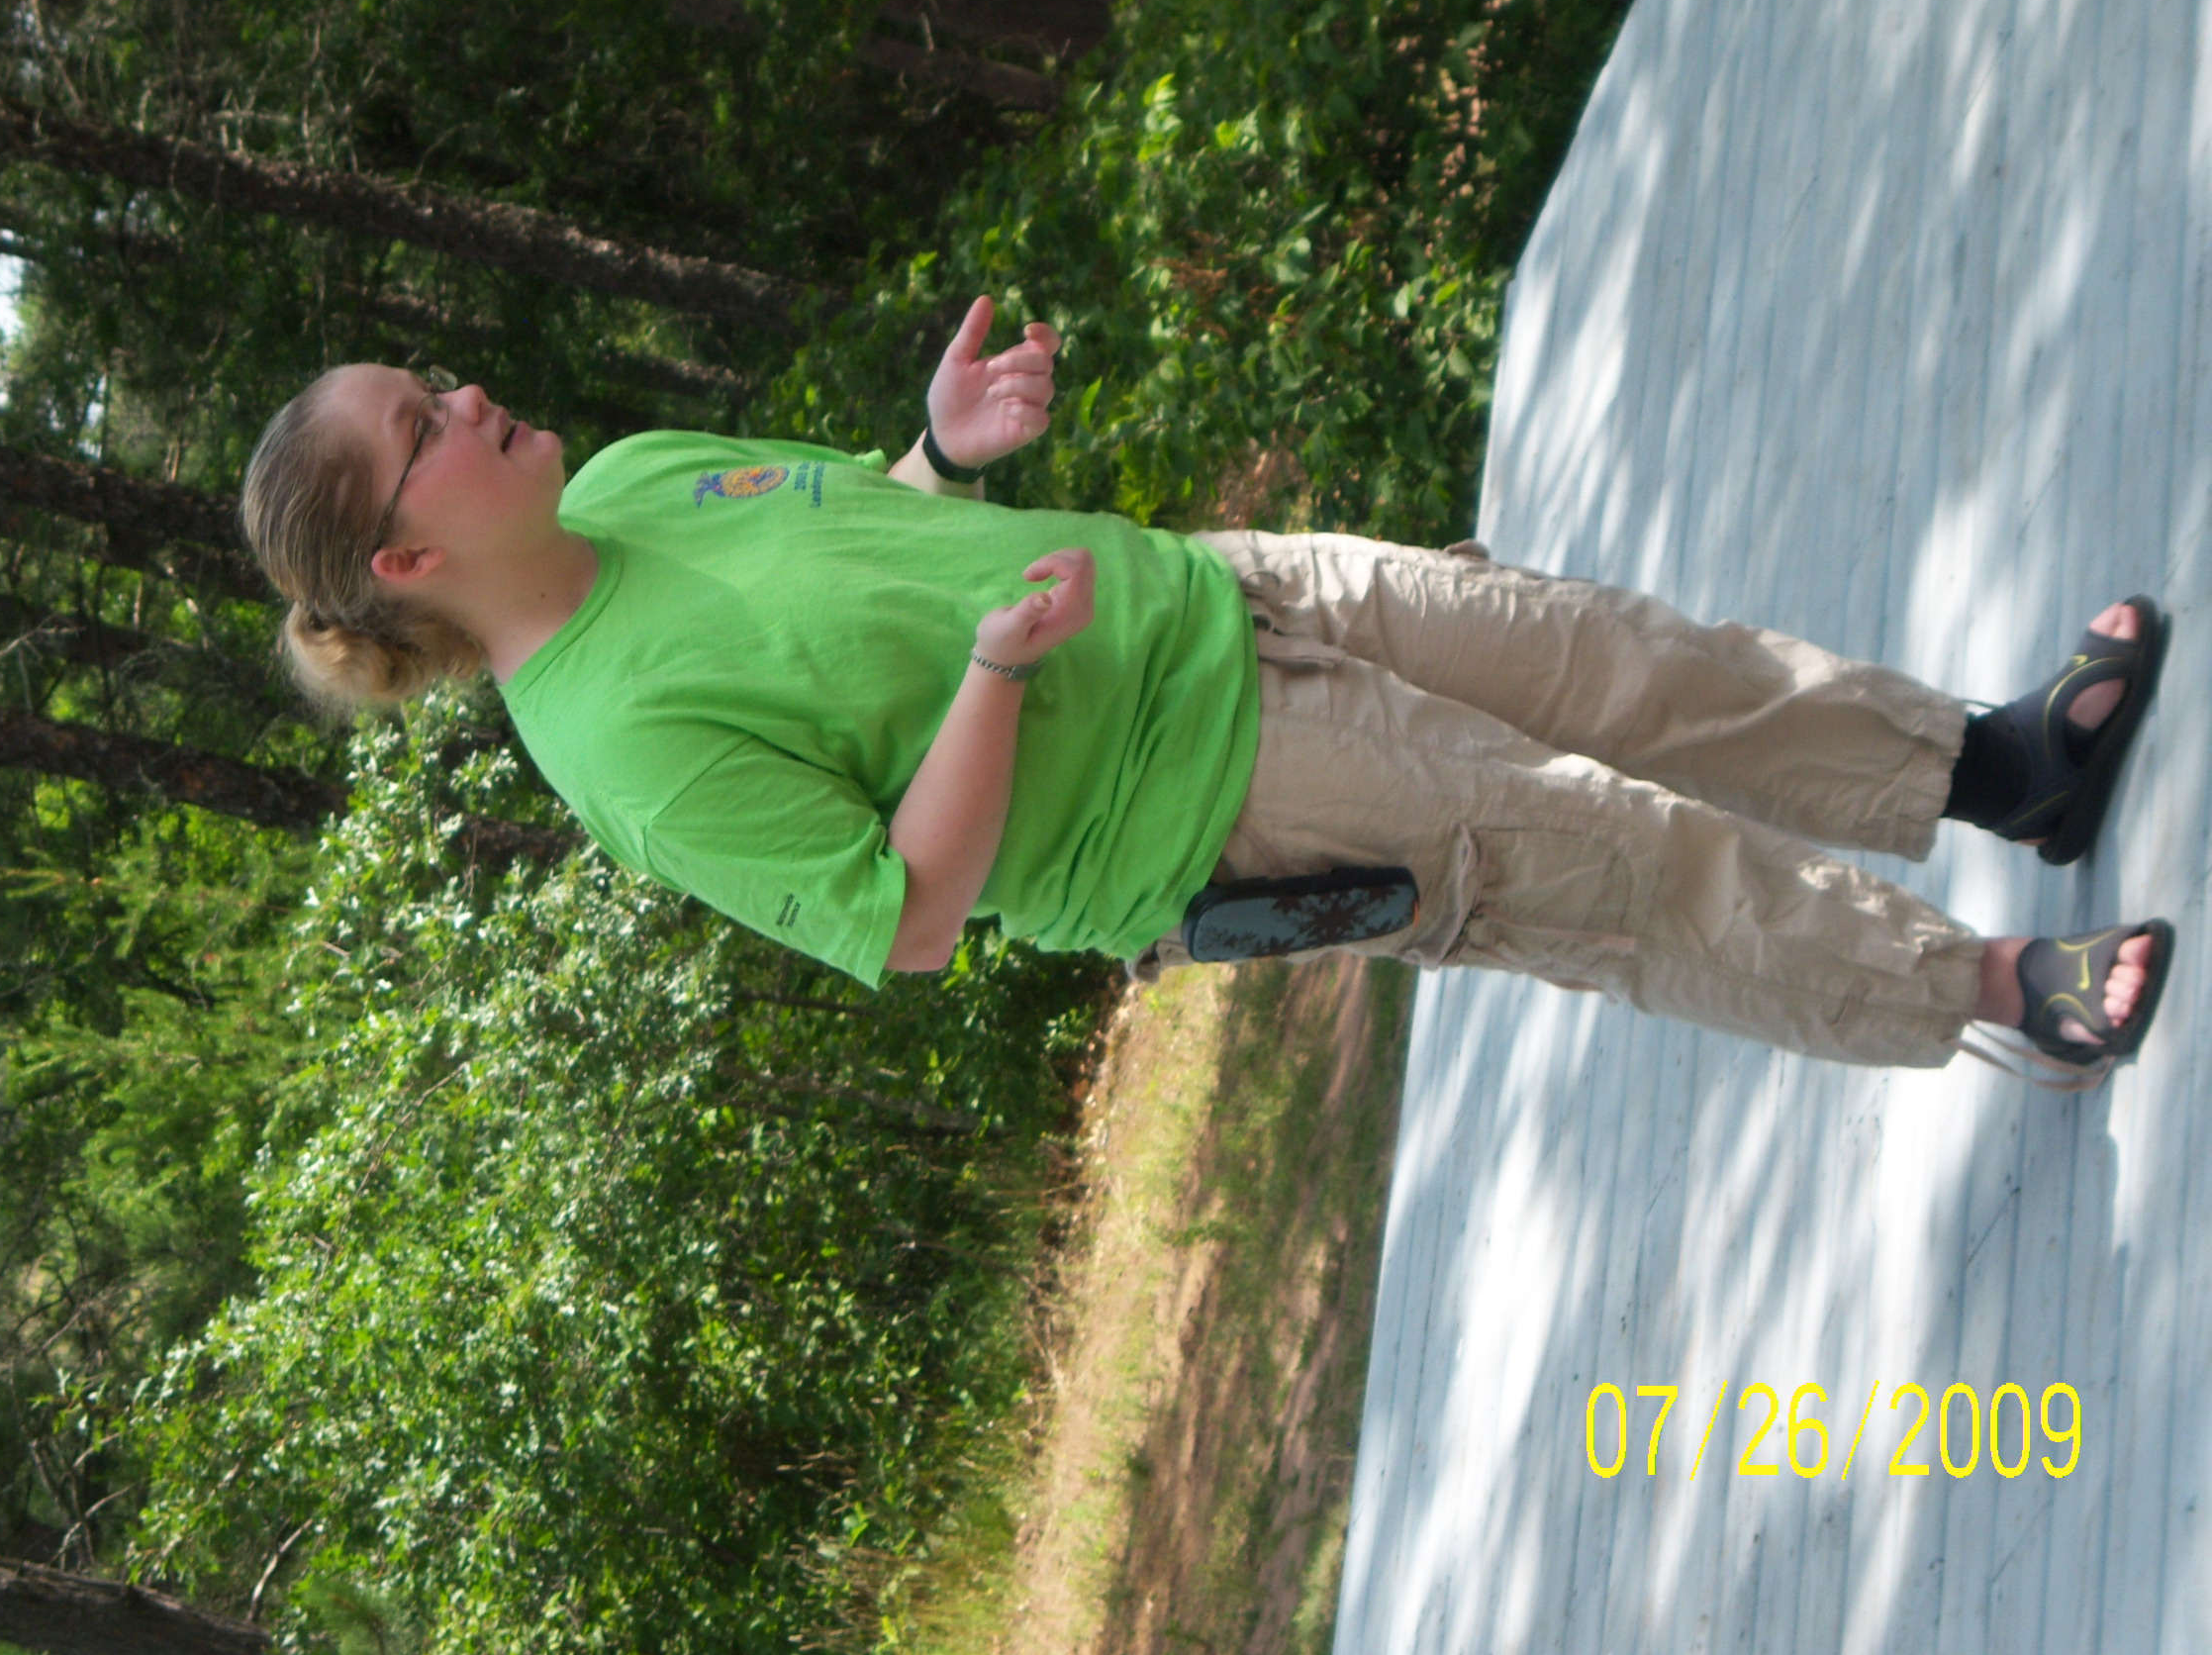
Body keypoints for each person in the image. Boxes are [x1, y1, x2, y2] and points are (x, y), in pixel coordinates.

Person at [240, 297, 2177, 1089]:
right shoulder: (617, 750)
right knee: (1616, 863)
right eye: (422, 426)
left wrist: (941, 452)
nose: (465, 395)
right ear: (402, 563)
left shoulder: (636, 478)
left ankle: (1999, 770)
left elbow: (867, 551)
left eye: (431, 380)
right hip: (1214, 807)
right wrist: (998, 680)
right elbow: (903, 915)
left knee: (1621, 657)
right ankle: (1989, 994)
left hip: (1223, 593)